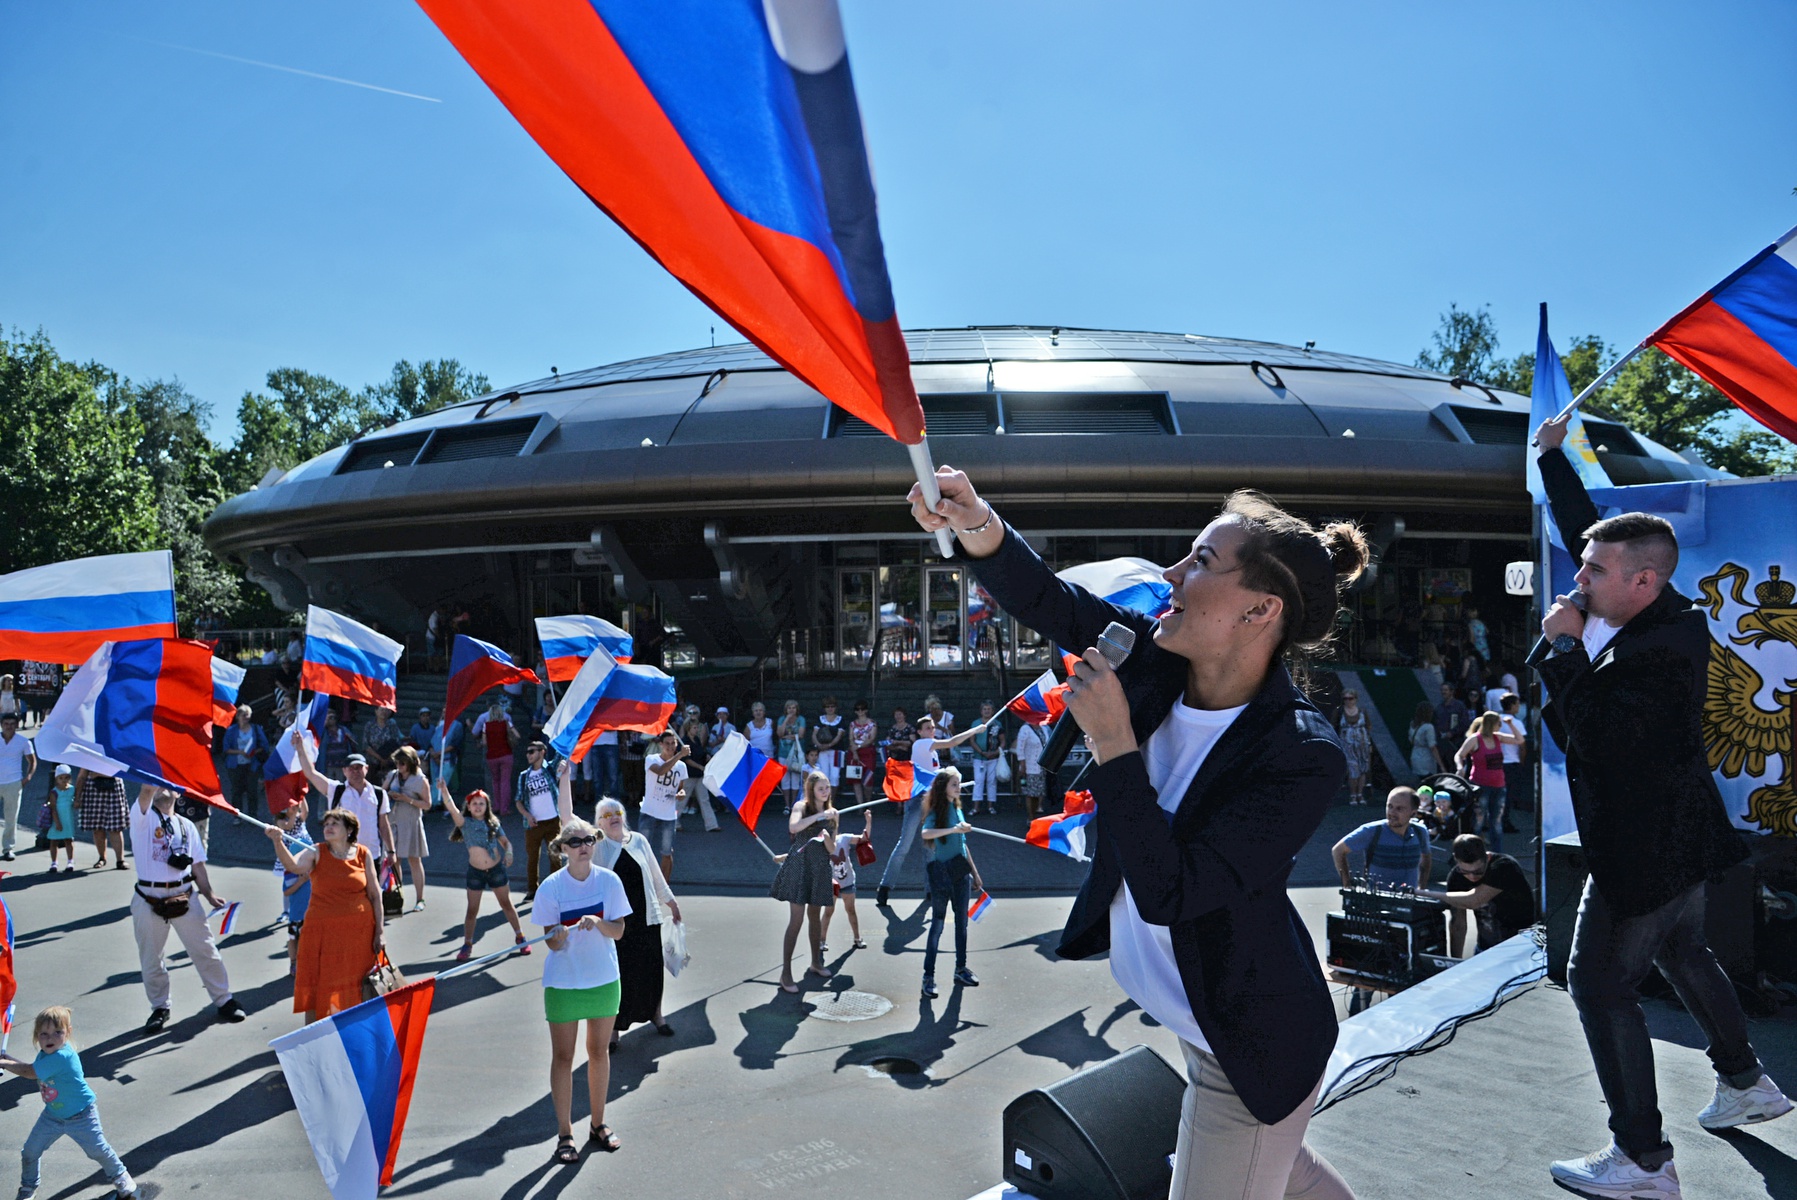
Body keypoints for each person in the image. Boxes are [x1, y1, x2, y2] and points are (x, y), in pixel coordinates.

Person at [912, 467, 1366, 1200]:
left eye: (1200, 562)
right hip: (1198, 1019)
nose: (1171, 574)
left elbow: (1171, 891)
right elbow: (1052, 601)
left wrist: (1114, 747)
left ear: (1258, 610)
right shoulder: (1156, 662)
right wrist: (976, 521)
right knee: (1286, 1176)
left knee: (1258, 1166)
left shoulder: (1300, 755)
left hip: (1250, 1046)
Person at [1530, 413, 1791, 1197]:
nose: (1575, 581)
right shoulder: (1649, 600)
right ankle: (1745, 1082)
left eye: (1589, 575)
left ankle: (1642, 1161)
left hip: (1641, 849)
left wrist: (1563, 649)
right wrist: (1551, 458)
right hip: (1680, 839)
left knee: (1598, 983)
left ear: (1641, 582)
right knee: (1683, 952)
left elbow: (1591, 739)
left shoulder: (1655, 654)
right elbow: (1597, 535)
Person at [534, 814, 630, 1163]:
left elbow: (618, 931)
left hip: (603, 980)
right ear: (562, 849)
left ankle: (598, 1124)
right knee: (563, 1058)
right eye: (575, 842)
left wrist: (599, 923)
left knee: (599, 1053)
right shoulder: (551, 888)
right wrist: (556, 935)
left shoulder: (609, 881)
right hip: (564, 984)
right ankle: (565, 1134)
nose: (584, 846)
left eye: (589, 839)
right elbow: (553, 945)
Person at [129, 784, 245, 1031]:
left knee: (205, 949)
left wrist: (210, 894)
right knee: (151, 957)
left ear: (179, 793)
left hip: (184, 894)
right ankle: (160, 1007)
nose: (162, 787)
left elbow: (198, 866)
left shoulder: (187, 825)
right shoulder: (143, 817)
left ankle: (224, 1000)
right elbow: (145, 796)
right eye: (157, 782)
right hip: (149, 896)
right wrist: (148, 785)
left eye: (168, 783)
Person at [0, 1006, 137, 1199]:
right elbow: (32, 1067)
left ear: (68, 1032)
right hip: (53, 1115)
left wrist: (5, 1064)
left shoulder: (62, 1056)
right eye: (44, 1034)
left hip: (81, 1114)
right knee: (30, 1151)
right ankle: (28, 1187)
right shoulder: (46, 1055)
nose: (50, 1038)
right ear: (37, 1036)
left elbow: (30, 1072)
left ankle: (120, 1176)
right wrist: (9, 1059)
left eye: (57, 1032)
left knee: (97, 1150)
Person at [266, 808, 383, 1023]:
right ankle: (317, 1032)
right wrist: (277, 842)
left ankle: (354, 1027)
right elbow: (292, 865)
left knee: (357, 982)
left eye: (334, 823)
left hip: (359, 935)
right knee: (320, 983)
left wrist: (379, 933)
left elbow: (375, 895)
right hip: (322, 934)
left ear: (349, 830)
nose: (328, 827)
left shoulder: (363, 854)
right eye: (326, 823)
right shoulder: (316, 851)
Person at [589, 786, 681, 1043]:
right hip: (619, 923)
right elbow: (592, 882)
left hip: (647, 917)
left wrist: (671, 903)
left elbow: (656, 874)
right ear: (599, 823)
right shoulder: (599, 847)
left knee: (652, 969)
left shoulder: (639, 840)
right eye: (607, 815)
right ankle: (615, 1030)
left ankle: (657, 1015)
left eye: (616, 811)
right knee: (621, 974)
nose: (614, 816)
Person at [874, 712, 986, 907]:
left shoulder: (932, 751)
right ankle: (885, 887)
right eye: (928, 728)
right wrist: (975, 730)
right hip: (917, 800)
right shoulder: (921, 744)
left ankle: (930, 890)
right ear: (918, 732)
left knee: (930, 847)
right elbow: (951, 742)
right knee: (905, 844)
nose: (932, 730)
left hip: (932, 801)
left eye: (933, 727)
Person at [439, 780, 528, 961]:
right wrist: (444, 790)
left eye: (482, 803)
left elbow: (506, 842)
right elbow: (453, 808)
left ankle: (520, 936)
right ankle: (467, 944)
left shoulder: (493, 823)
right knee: (472, 910)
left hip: (496, 869)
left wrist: (509, 852)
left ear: (487, 806)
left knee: (506, 904)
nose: (478, 807)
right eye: (474, 804)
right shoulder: (465, 823)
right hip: (476, 872)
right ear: (469, 807)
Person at [769, 769, 838, 993]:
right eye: (821, 788)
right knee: (796, 921)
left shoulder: (834, 813)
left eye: (827, 787)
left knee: (815, 918)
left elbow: (833, 849)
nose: (825, 792)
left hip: (819, 868)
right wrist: (818, 817)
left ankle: (816, 962)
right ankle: (786, 973)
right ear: (811, 790)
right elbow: (793, 827)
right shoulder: (801, 807)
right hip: (800, 867)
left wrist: (828, 838)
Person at [919, 767, 984, 997]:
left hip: (960, 873)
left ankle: (960, 968)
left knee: (961, 924)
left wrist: (974, 873)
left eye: (959, 784)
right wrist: (953, 829)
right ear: (943, 787)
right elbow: (926, 834)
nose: (958, 788)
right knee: (936, 925)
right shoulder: (938, 809)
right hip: (942, 872)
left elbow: (963, 843)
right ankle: (928, 976)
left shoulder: (957, 808)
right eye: (954, 784)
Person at [292, 735, 396, 870]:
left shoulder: (379, 794)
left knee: (371, 891)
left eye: (359, 767)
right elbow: (311, 773)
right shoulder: (336, 790)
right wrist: (300, 747)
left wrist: (391, 851)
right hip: (341, 854)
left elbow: (384, 825)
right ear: (344, 771)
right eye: (351, 768)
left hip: (371, 855)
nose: (355, 771)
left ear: (366, 769)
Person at [1425, 834, 1536, 957]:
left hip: (1520, 945)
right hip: (1485, 948)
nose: (1472, 877)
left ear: (1487, 857)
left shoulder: (1504, 866)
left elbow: (1474, 900)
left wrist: (1425, 893)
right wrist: (1455, 962)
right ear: (1456, 860)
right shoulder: (1456, 877)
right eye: (1465, 872)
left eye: (1478, 871)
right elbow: (1458, 924)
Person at [1332, 787, 1431, 890]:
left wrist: (1422, 887)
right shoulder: (1372, 831)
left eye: (1399, 809)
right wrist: (1347, 885)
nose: (1392, 812)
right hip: (1376, 901)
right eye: (1390, 806)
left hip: (1408, 902)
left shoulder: (1420, 832)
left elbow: (1426, 860)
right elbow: (1338, 850)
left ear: (1413, 813)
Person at [1454, 712, 1522, 853]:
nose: (1500, 726)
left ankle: (1497, 853)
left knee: (1496, 822)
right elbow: (1460, 754)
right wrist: (1460, 767)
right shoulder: (1475, 739)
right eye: (1499, 723)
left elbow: (1519, 740)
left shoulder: (1498, 737)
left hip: (1499, 785)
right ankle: (1474, 851)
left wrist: (1511, 724)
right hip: (1480, 786)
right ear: (1491, 724)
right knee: (1478, 821)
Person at [385, 746, 432, 912]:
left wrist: (407, 799)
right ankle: (398, 896)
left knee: (414, 860)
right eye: (397, 762)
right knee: (395, 860)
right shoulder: (392, 775)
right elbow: (381, 793)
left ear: (411, 762)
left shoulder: (420, 780)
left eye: (403, 762)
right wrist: (389, 794)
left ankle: (420, 899)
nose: (399, 765)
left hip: (411, 823)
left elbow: (427, 805)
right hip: (394, 821)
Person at [516, 741, 564, 898]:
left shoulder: (549, 769)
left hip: (552, 821)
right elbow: (518, 800)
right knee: (532, 857)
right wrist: (527, 815)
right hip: (533, 824)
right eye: (527, 752)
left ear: (542, 752)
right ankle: (532, 889)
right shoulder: (524, 776)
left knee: (555, 857)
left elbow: (562, 752)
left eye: (532, 751)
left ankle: (556, 888)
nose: (528, 755)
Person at [822, 809, 874, 952]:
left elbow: (864, 838)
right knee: (828, 912)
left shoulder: (844, 838)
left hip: (847, 881)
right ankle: (821, 941)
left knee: (851, 910)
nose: (831, 832)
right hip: (830, 884)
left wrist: (868, 821)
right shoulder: (821, 844)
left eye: (833, 828)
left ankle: (857, 939)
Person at [641, 730, 689, 882]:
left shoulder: (681, 766)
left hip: (668, 814)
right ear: (660, 745)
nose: (670, 746)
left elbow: (681, 787)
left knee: (667, 852)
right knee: (642, 850)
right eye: (667, 743)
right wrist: (679, 755)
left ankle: (664, 886)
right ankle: (644, 882)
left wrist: (681, 793)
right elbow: (661, 771)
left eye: (673, 743)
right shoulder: (651, 759)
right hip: (649, 811)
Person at [273, 804, 313, 973]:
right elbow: (287, 892)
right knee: (293, 939)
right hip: (296, 915)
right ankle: (293, 963)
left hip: (311, 914)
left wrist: (300, 795)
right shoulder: (290, 875)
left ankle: (306, 963)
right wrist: (301, 881)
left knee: (308, 939)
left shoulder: (314, 871)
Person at [74, 769, 128, 871]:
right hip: (93, 791)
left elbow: (123, 770)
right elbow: (82, 775)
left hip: (113, 790)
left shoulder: (115, 752)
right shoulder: (89, 753)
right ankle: (102, 858)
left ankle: (120, 860)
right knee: (97, 827)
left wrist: (100, 773)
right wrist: (77, 797)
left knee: (115, 828)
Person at [222, 705, 270, 817]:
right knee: (236, 791)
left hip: (252, 764)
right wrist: (240, 752)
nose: (246, 718)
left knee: (252, 790)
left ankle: (253, 814)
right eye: (244, 715)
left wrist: (253, 752)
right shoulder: (231, 731)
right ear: (238, 716)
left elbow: (264, 745)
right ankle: (237, 815)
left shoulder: (256, 728)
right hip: (235, 765)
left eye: (248, 715)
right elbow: (226, 749)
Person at [0, 712, 36, 861]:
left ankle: (8, 848)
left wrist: (27, 778)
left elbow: (32, 761)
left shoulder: (23, 742)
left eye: (12, 724)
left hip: (13, 783)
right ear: (2, 725)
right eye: (6, 724)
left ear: (16, 725)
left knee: (11, 818)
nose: (9, 727)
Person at [472, 700, 518, 815]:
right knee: (505, 781)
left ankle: (496, 806)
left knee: (495, 781)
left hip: (492, 756)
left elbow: (484, 743)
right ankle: (504, 808)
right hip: (506, 754)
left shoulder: (485, 725)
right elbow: (517, 735)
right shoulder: (506, 722)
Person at [1337, 691, 1374, 805]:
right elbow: (1333, 726)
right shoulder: (1339, 712)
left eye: (1351, 698)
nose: (1348, 701)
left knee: (1362, 770)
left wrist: (1368, 743)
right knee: (1353, 770)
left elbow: (1368, 726)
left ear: (1355, 699)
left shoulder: (1362, 711)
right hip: (1347, 745)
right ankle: (1353, 795)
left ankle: (1360, 794)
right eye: (1345, 698)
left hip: (1362, 745)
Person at [969, 700, 1005, 815]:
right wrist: (981, 752)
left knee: (991, 781)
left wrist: (995, 752)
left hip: (993, 758)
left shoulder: (997, 724)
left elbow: (1002, 741)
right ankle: (976, 807)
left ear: (993, 711)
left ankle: (990, 806)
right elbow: (972, 740)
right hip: (979, 758)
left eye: (989, 709)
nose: (987, 711)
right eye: (985, 709)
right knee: (978, 781)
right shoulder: (975, 724)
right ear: (981, 711)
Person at [1497, 692, 1529, 819]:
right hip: (1512, 762)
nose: (1519, 706)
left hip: (1497, 762)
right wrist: (1522, 761)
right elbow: (1522, 746)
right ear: (1512, 705)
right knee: (1509, 794)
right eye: (1517, 704)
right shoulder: (1517, 723)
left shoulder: (1495, 720)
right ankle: (1505, 820)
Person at [847, 701, 878, 808]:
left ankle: (868, 802)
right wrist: (854, 751)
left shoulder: (872, 723)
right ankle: (859, 805)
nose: (860, 711)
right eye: (857, 709)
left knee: (868, 780)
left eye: (862, 709)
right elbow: (851, 739)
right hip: (854, 753)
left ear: (866, 710)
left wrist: (859, 747)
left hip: (868, 752)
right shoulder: (852, 724)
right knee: (856, 780)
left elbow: (871, 738)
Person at [1013, 718, 1047, 819]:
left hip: (1042, 766)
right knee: (1030, 793)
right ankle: (1031, 817)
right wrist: (1022, 764)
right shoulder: (1025, 729)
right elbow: (1020, 748)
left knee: (1038, 792)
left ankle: (1036, 813)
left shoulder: (1044, 728)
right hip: (1029, 766)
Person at [812, 696, 846, 796]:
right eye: (827, 707)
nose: (830, 709)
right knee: (824, 775)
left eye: (832, 706)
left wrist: (829, 745)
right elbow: (814, 734)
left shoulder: (840, 720)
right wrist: (819, 745)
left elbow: (839, 736)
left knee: (835, 776)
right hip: (822, 751)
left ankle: (832, 799)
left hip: (837, 751)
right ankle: (824, 799)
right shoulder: (820, 719)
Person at [776, 699, 807, 805]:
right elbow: (780, 734)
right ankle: (787, 804)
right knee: (785, 779)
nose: (791, 710)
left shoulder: (801, 719)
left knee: (795, 778)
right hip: (783, 752)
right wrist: (786, 719)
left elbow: (801, 734)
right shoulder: (781, 719)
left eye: (793, 707)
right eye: (789, 708)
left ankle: (794, 803)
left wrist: (787, 736)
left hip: (796, 753)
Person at [361, 707, 403, 777]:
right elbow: (365, 746)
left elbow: (396, 743)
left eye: (386, 710)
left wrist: (386, 760)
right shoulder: (369, 725)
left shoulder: (392, 725)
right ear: (376, 711)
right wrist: (381, 759)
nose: (384, 712)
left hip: (389, 761)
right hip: (372, 761)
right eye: (381, 710)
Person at [1407, 701, 1443, 779]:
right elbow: (1432, 747)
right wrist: (1441, 765)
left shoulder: (1412, 724)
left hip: (1414, 756)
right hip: (1426, 759)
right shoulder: (1428, 727)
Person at [1433, 681, 1470, 749]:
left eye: (1446, 690)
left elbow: (1465, 723)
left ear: (1451, 691)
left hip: (1456, 741)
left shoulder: (1459, 706)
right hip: (1442, 741)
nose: (1443, 692)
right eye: (1442, 690)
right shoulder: (1439, 707)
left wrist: (1452, 733)